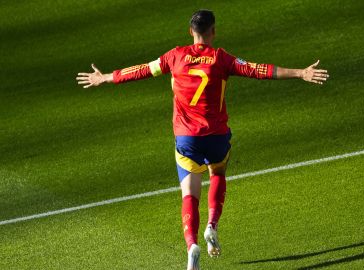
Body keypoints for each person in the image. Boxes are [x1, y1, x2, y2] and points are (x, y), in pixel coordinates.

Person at [76, 9, 328, 270]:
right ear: (213, 31)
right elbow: (259, 69)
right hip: (217, 136)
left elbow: (140, 70)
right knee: (217, 172)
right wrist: (300, 73)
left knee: (189, 192)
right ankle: (212, 225)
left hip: (187, 138)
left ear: (190, 32)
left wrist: (105, 77)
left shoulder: (174, 57)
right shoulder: (222, 59)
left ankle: (191, 245)